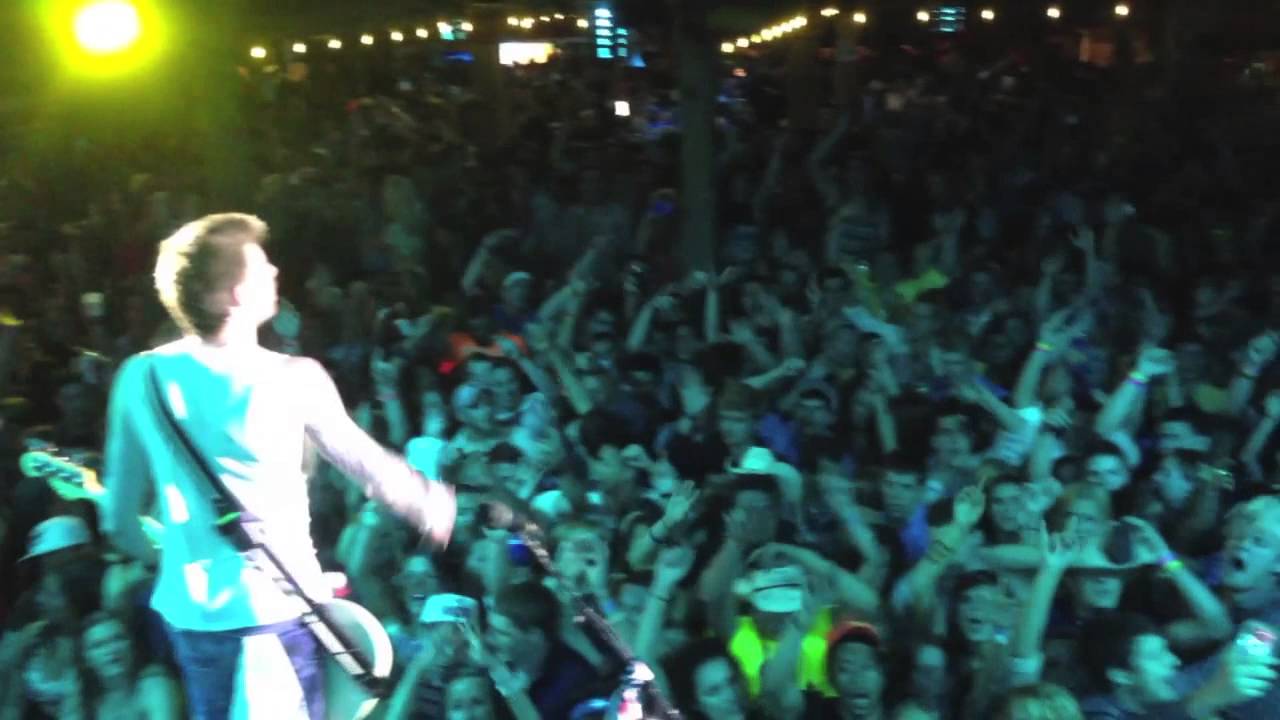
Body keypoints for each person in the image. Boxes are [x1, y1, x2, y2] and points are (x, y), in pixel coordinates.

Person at [101, 213, 457, 720]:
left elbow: (118, 521)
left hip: (190, 618)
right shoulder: (292, 377)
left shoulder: (140, 377)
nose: (273, 271)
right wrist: (428, 502)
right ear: (231, 295)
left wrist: (175, 558)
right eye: (259, 265)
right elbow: (368, 466)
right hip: (273, 611)